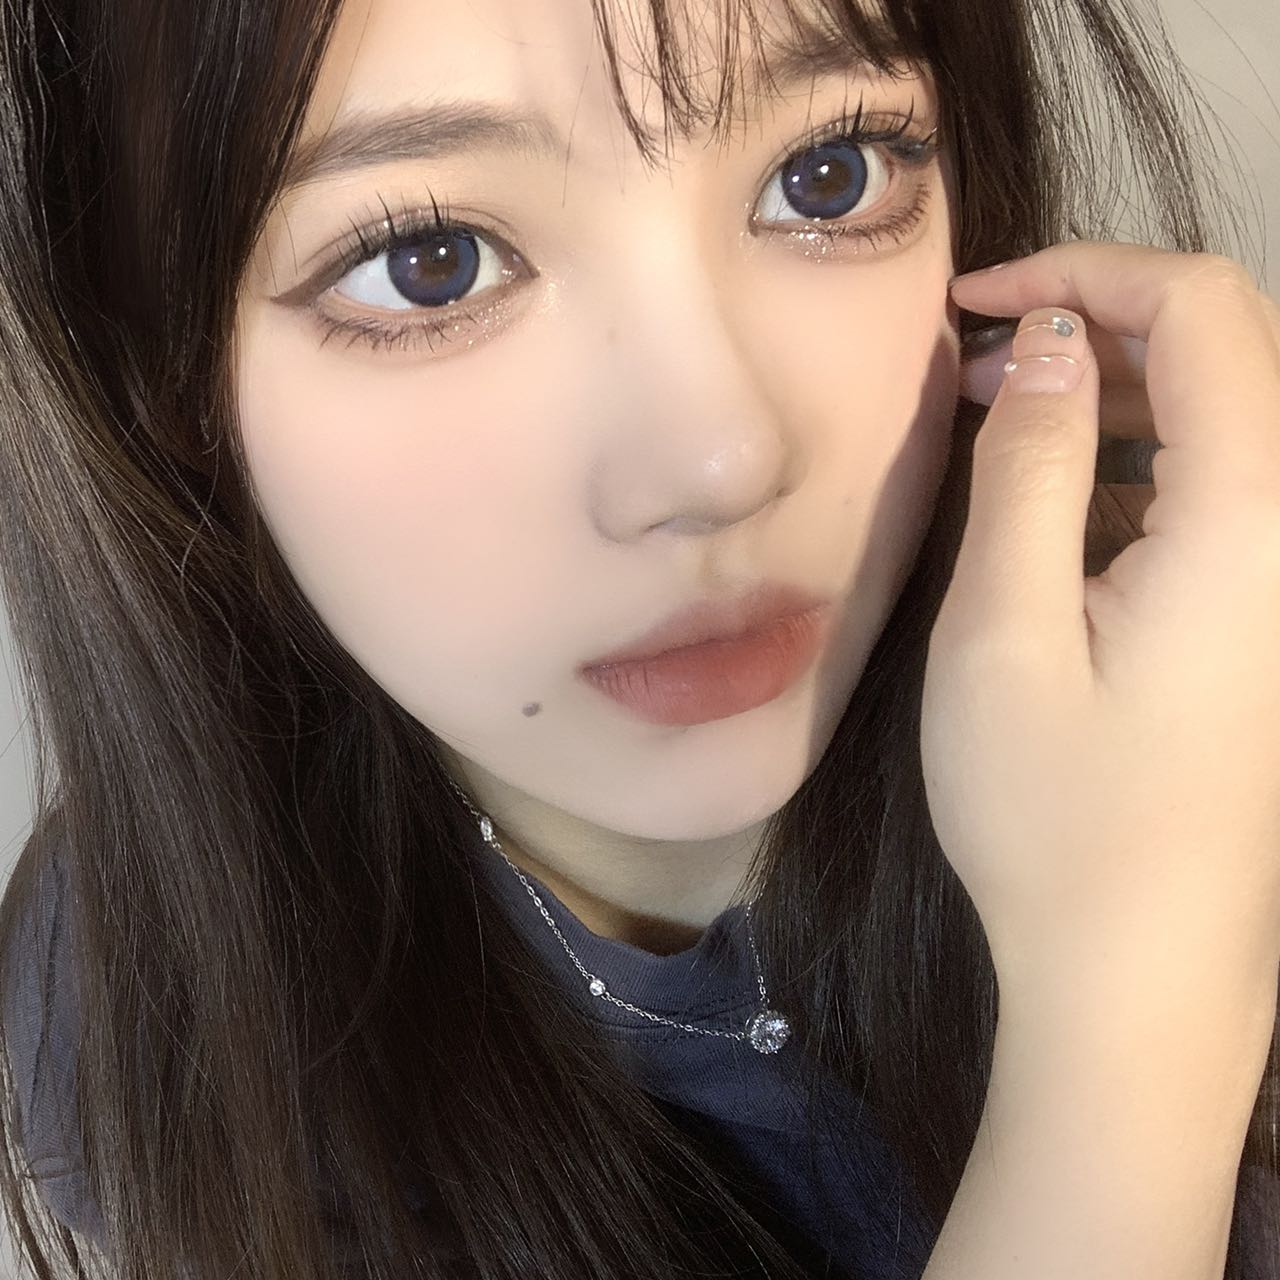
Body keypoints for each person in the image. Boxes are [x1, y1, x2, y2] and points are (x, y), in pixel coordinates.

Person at [0, 0, 1276, 1276]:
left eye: (827, 174)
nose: (723, 460)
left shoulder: (1228, 682)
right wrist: (1136, 1002)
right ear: (160, 378)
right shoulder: (144, 997)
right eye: (429, 260)